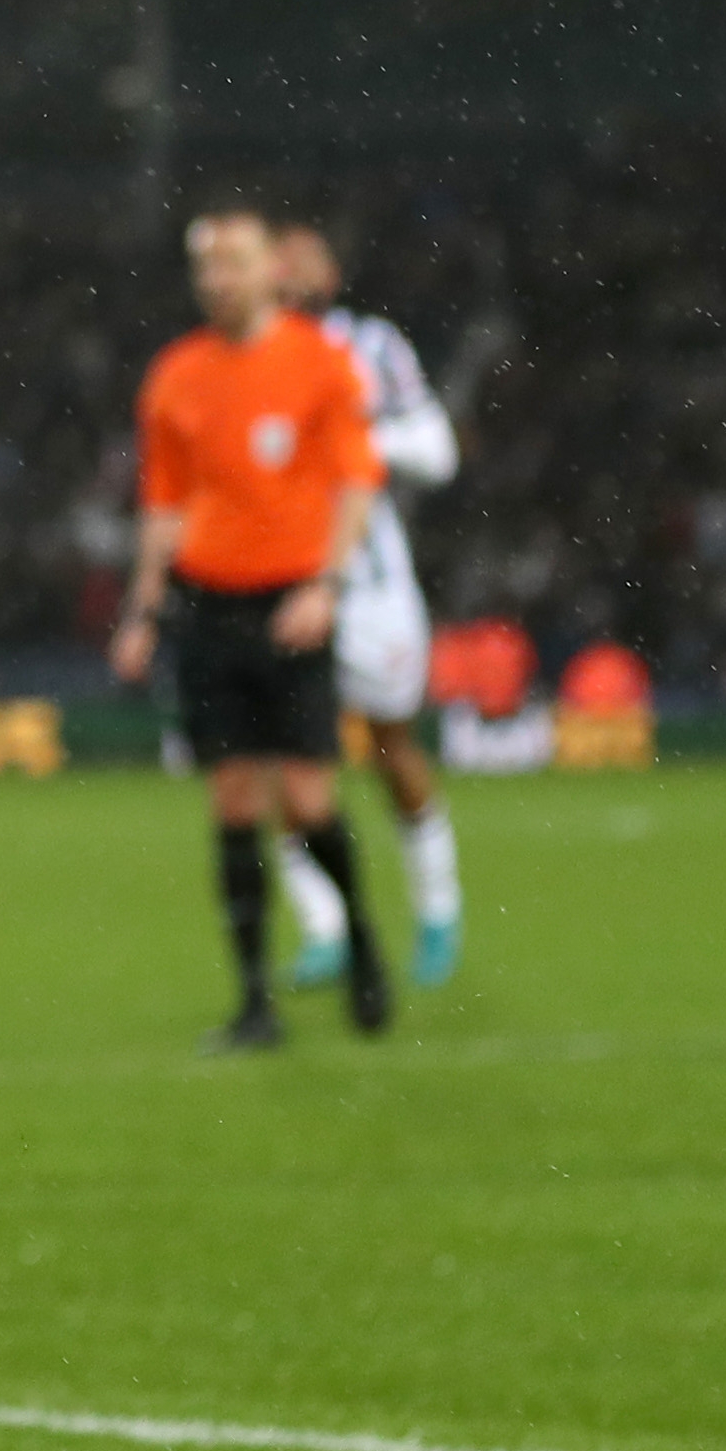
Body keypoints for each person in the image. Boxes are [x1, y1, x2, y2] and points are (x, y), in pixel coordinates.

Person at [113, 203, 387, 1050]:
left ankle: (363, 939)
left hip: (294, 604)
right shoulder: (175, 375)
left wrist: (327, 584)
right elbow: (163, 503)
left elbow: (355, 482)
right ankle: (254, 1002)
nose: (216, 280)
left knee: (306, 799)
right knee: (232, 800)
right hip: (206, 606)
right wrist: (143, 609)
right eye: (205, 267)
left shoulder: (321, 363)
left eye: (232, 262)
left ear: (273, 267)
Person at [267, 221, 466, 989]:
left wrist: (352, 443)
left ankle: (437, 909)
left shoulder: (372, 345)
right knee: (291, 759)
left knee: (391, 748)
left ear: (332, 272)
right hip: (277, 584)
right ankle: (325, 931)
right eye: (277, 256)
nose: (292, 266)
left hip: (370, 585)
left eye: (305, 253)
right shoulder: (246, 360)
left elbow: (437, 450)